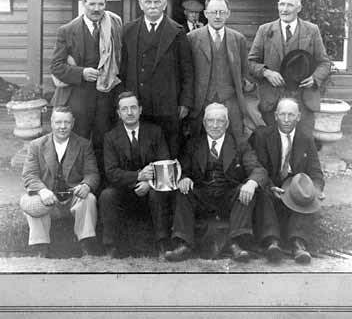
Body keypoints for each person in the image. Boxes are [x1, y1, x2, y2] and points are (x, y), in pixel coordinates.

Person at [164, 103, 280, 262]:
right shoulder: (193, 144)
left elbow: (258, 169)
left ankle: (236, 244)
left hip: (228, 196)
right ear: (204, 124)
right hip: (203, 196)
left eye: (220, 121)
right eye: (210, 121)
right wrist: (184, 178)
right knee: (183, 192)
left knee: (245, 191)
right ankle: (184, 244)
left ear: (227, 124)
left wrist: (251, 183)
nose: (215, 125)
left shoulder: (240, 144)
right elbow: (182, 168)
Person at [50, 0, 122, 172]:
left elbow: (122, 59)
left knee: (104, 143)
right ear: (84, 4)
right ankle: (74, 181)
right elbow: (56, 66)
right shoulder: (67, 30)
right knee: (78, 143)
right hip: (79, 98)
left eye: (101, 4)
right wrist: (81, 73)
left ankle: (100, 186)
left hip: (106, 97)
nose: (96, 9)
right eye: (92, 4)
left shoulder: (115, 25)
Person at [120, 0, 194, 158]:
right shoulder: (128, 30)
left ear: (165, 4)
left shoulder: (177, 32)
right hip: (138, 104)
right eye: (148, 2)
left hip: (168, 105)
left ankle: (167, 184)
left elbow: (187, 71)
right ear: (140, 4)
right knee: (141, 149)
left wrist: (185, 102)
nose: (152, 7)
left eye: (157, 2)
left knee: (168, 148)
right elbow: (123, 69)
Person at [249, 97, 325, 264]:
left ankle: (298, 244)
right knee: (262, 193)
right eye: (282, 114)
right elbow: (257, 168)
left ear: (298, 117)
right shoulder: (262, 136)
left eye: (291, 115)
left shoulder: (306, 138)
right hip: (271, 182)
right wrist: (270, 187)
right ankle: (272, 243)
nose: (286, 119)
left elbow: (315, 171)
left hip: (292, 185)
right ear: (275, 115)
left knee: (305, 194)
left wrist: (317, 189)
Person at [99, 91, 174, 258]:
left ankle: (162, 245)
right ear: (118, 114)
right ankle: (110, 247)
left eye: (133, 107)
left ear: (140, 110)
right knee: (107, 195)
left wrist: (149, 184)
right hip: (124, 190)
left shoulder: (155, 132)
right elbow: (111, 173)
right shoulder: (110, 137)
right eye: (124, 109)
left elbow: (166, 165)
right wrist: (138, 176)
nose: (130, 112)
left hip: (151, 190)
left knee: (158, 193)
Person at [248, 0, 331, 136]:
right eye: (281, 4)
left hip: (303, 100)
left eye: (289, 5)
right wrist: (266, 72)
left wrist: (314, 78)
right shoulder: (264, 30)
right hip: (272, 101)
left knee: (302, 146)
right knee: (272, 147)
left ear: (299, 8)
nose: (284, 9)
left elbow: (324, 63)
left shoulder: (312, 31)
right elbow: (250, 62)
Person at [21, 106, 100, 258]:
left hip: (73, 197)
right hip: (48, 197)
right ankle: (40, 247)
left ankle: (86, 245)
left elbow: (92, 173)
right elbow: (29, 174)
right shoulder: (37, 145)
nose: (62, 127)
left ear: (73, 123)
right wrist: (42, 191)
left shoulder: (84, 145)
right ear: (51, 122)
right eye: (58, 122)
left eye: (67, 122)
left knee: (89, 198)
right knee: (33, 201)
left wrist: (86, 185)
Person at [187, 0, 253, 145]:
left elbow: (245, 73)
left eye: (222, 12)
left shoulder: (238, 39)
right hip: (201, 103)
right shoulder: (191, 38)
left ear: (228, 14)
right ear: (205, 14)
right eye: (213, 12)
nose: (217, 16)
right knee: (199, 146)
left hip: (231, 103)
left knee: (235, 145)